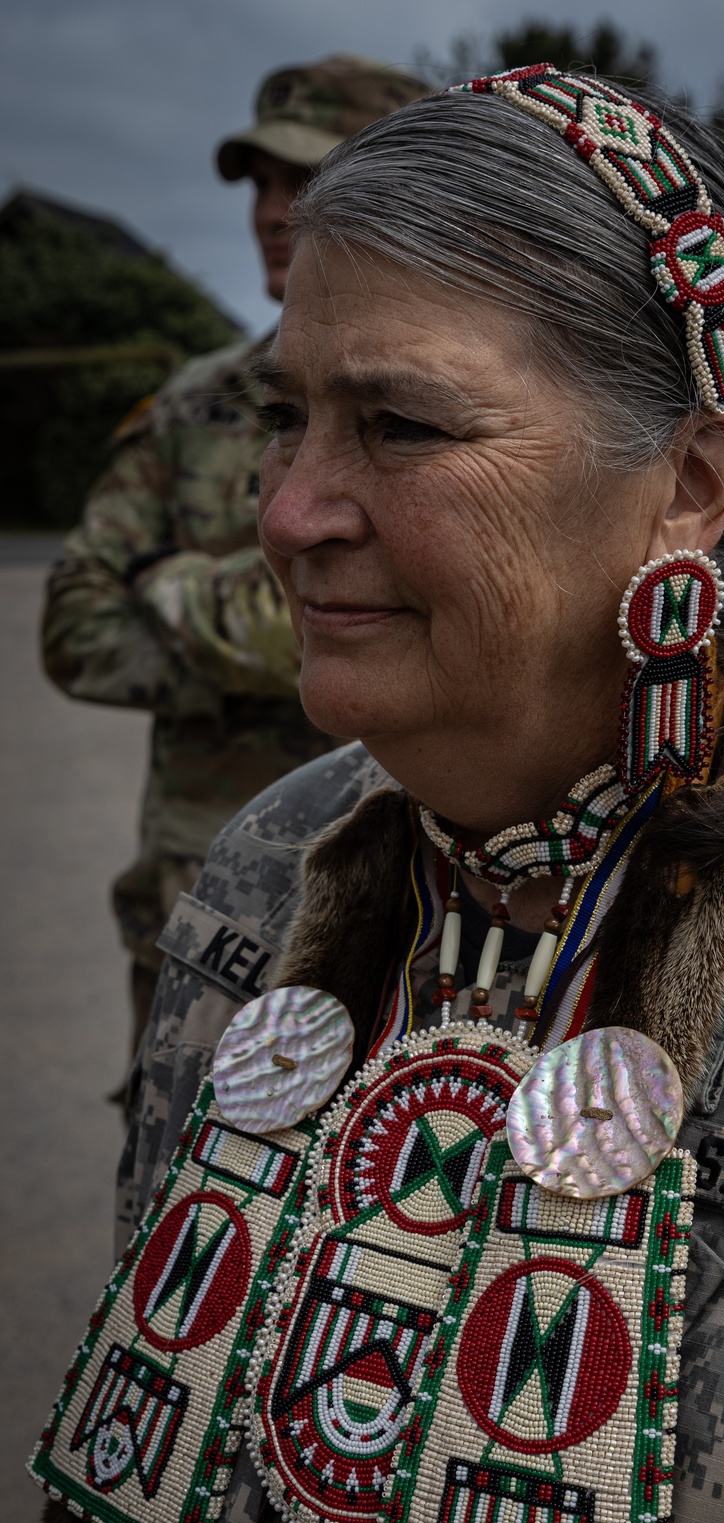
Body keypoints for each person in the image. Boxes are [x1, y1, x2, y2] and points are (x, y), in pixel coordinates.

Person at [25, 66, 724, 1523]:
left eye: (400, 425)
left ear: (693, 481)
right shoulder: (272, 858)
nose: (287, 513)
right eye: (287, 415)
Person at [40, 55, 429, 1059]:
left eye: (303, 181)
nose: (268, 210)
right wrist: (337, 628)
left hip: (417, 899)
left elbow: (454, 605)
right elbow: (75, 630)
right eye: (258, 183)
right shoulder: (195, 402)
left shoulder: (454, 408)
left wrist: (173, 589)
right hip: (208, 903)